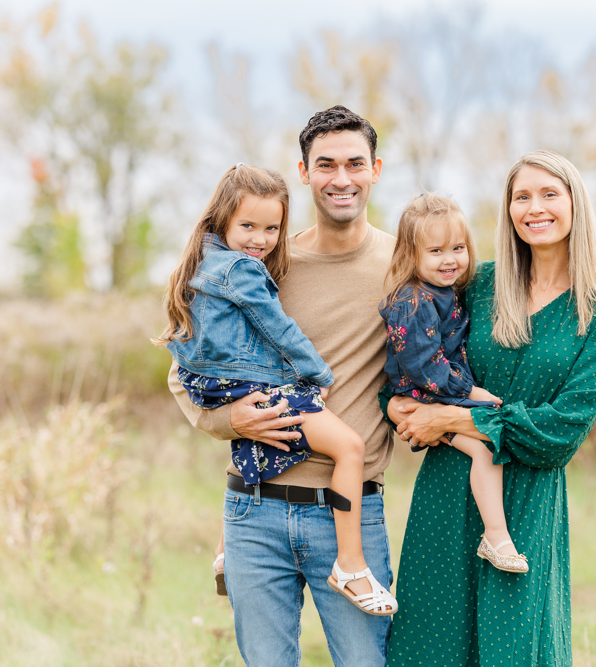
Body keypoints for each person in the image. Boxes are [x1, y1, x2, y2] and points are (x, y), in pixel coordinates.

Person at [382, 150, 596, 665]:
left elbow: (559, 435)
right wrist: (399, 409)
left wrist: (453, 417)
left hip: (524, 502)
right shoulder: (475, 284)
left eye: (549, 194)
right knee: (429, 646)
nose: (534, 207)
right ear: (508, 210)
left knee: (514, 650)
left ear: (575, 204)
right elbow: (413, 354)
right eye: (521, 196)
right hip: (447, 491)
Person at [167, 107, 398, 665]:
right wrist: (229, 420)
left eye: (354, 164)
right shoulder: (267, 263)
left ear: (376, 169)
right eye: (325, 165)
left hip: (349, 512)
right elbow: (185, 368)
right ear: (303, 171)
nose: (340, 178)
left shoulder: (402, 264)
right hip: (253, 512)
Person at [379, 192, 528, 574]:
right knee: (485, 444)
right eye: (436, 251)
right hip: (424, 396)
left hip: (439, 396)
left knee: (485, 446)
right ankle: (496, 537)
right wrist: (471, 392)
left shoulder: (446, 292)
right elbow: (424, 367)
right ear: (412, 255)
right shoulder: (410, 301)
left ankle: (496, 536)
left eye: (458, 248)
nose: (450, 260)